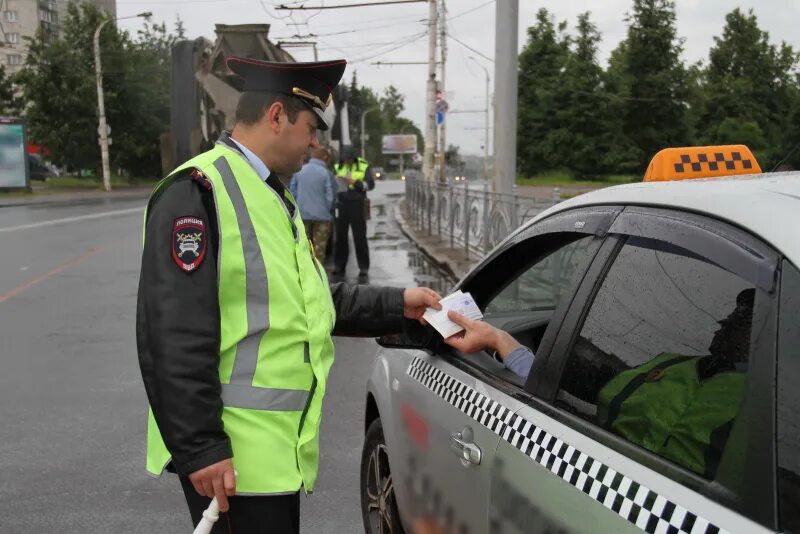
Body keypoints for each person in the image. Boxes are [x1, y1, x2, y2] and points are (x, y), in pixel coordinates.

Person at [136, 56, 443, 533]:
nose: (316, 142)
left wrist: (401, 304)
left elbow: (313, 302)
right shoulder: (198, 192)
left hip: (271, 456)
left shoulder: (272, 194)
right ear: (276, 116)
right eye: (311, 127)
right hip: (231, 463)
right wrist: (201, 449)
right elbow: (172, 335)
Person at [444, 287, 754, 478]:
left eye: (743, 320)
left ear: (764, 339)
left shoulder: (766, 402)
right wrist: (500, 340)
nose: (726, 322)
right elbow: (573, 410)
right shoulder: (671, 364)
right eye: (730, 314)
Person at [333, 145, 374, 278]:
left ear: (354, 158)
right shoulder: (337, 166)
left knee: (360, 237)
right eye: (346, 159)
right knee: (340, 238)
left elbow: (370, 185)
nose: (348, 161)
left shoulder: (363, 165)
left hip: (357, 205)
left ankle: (363, 267)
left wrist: (355, 182)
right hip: (341, 205)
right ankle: (339, 265)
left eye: (350, 159)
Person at [289, 146, 335, 263]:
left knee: (304, 248)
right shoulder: (326, 173)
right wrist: (327, 209)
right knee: (319, 249)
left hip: (302, 215)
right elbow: (330, 196)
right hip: (322, 216)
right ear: (325, 158)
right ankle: (318, 277)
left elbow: (292, 192)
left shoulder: (300, 171)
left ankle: (305, 275)